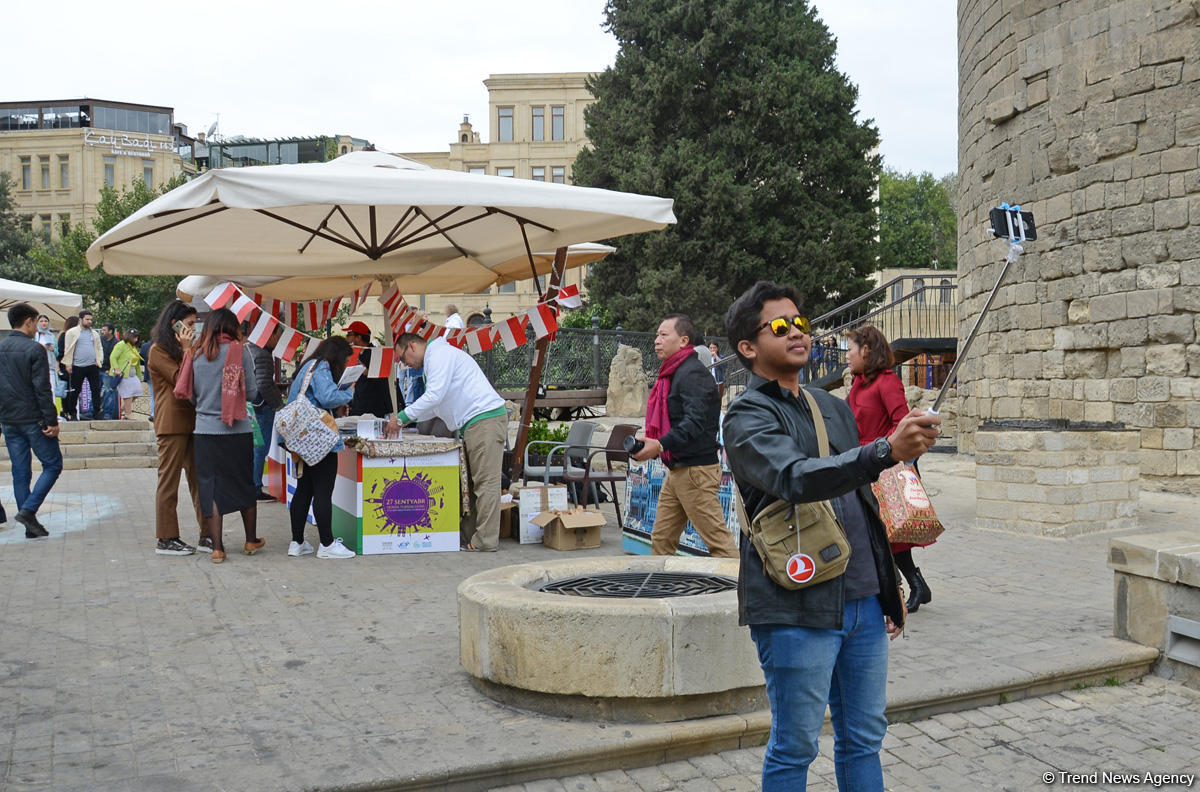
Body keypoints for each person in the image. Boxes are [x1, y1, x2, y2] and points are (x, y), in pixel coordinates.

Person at [721, 281, 940, 792]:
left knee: (864, 738)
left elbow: (861, 502)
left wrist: (888, 590)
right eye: (779, 325)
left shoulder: (832, 407)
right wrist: (885, 449)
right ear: (748, 348)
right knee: (795, 746)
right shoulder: (747, 416)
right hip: (796, 605)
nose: (797, 330)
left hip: (863, 602)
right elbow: (795, 478)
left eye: (801, 321)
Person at [384, 332, 507, 551]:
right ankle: (469, 534)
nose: (406, 365)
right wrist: (406, 420)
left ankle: (486, 540)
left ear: (411, 346)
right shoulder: (435, 359)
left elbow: (434, 396)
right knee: (471, 482)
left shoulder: (439, 355)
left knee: (485, 483)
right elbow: (433, 406)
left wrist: (402, 418)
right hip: (475, 421)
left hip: (484, 419)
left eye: (402, 359)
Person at [630, 314, 737, 559]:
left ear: (683, 341)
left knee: (719, 544)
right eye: (657, 335)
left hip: (696, 471)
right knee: (662, 538)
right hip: (678, 469)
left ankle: (738, 593)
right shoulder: (672, 372)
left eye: (664, 335)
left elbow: (695, 422)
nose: (657, 340)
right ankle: (660, 587)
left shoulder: (692, 374)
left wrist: (659, 444)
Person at [845, 324, 935, 613]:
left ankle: (909, 586)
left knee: (889, 534)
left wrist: (888, 451)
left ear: (866, 350)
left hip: (883, 465)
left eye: (851, 349)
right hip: (860, 464)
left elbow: (901, 421)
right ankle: (909, 585)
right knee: (877, 532)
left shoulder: (887, 381)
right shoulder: (858, 382)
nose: (847, 355)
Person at [174, 307, 262, 564]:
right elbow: (254, 393)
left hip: (205, 432)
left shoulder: (196, 355)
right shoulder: (240, 352)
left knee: (210, 489)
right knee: (244, 483)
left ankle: (217, 548)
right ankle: (250, 539)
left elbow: (189, 394)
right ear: (233, 327)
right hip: (238, 432)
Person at [285, 337, 357, 559]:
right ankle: (327, 544)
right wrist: (348, 392)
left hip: (300, 438)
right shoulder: (323, 366)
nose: (344, 365)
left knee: (304, 489)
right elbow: (326, 396)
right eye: (345, 360)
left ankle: (297, 542)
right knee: (323, 491)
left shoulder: (308, 366)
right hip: (319, 440)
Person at [0, 303, 63, 538]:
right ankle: (28, 511)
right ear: (28, 321)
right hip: (33, 419)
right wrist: (51, 420)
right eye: (36, 322)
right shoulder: (34, 349)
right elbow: (42, 389)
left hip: (8, 419)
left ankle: (30, 526)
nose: (37, 327)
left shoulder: (1, 347)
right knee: (53, 464)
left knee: (20, 471)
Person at [248, 323, 286, 501]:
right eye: (277, 336)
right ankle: (255, 488)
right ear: (269, 336)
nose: (277, 340)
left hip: (253, 406)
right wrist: (278, 403)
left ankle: (252, 485)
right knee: (260, 448)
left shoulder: (250, 350)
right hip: (263, 407)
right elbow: (263, 383)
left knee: (255, 447)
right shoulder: (263, 355)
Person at [344, 321, 394, 418]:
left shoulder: (375, 353)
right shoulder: (356, 353)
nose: (347, 338)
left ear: (358, 338)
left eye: (349, 334)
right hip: (360, 401)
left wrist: (362, 368)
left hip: (374, 405)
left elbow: (379, 376)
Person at [63, 309, 103, 420]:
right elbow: (68, 348)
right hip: (77, 365)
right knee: (75, 390)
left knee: (95, 389)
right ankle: (73, 413)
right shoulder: (71, 332)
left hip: (92, 365)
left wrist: (99, 359)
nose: (89, 321)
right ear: (81, 319)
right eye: (87, 319)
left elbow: (99, 348)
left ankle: (96, 411)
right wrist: (68, 364)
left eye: (91, 319)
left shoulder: (94, 334)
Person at [109, 329, 145, 420]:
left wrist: (139, 375)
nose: (136, 339)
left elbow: (136, 362)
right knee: (128, 394)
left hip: (133, 373)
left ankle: (122, 409)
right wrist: (116, 369)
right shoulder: (121, 345)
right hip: (123, 373)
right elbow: (113, 357)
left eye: (137, 337)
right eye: (134, 337)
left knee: (137, 392)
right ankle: (128, 414)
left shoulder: (133, 347)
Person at [99, 322, 120, 419]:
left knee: (110, 391)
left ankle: (109, 413)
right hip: (98, 369)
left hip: (108, 371)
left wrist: (110, 369)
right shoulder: (99, 340)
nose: (102, 332)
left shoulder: (116, 343)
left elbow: (115, 358)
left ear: (110, 331)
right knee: (96, 391)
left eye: (104, 330)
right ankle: (96, 411)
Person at [139, 335, 154, 418]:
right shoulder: (163, 344)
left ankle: (153, 414)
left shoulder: (145, 346)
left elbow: (141, 360)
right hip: (161, 375)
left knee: (152, 396)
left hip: (149, 374)